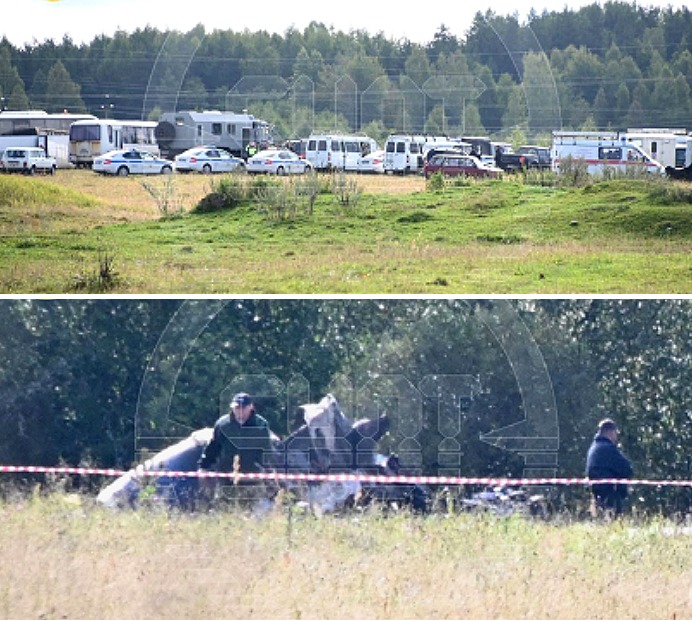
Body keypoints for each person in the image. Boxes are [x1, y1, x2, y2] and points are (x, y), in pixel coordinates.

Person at [198, 392, 274, 474]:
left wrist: (270, 470)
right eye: (237, 408)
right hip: (225, 473)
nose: (240, 411)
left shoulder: (261, 425)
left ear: (250, 407)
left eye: (243, 408)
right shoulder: (222, 424)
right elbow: (213, 447)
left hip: (252, 473)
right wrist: (204, 466)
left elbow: (267, 450)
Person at [585, 418, 633, 516]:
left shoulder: (594, 447)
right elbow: (626, 468)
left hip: (597, 493)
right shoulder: (607, 448)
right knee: (613, 519)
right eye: (615, 433)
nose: (616, 436)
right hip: (609, 494)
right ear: (610, 432)